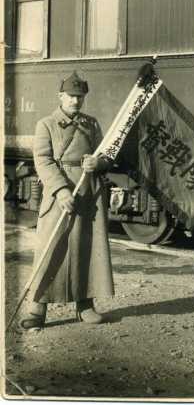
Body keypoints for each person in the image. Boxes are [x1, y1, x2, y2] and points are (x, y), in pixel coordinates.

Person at [19, 72, 114, 330]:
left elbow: (107, 154)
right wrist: (60, 191)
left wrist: (99, 162)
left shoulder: (92, 125)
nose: (76, 101)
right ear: (61, 96)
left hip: (87, 193)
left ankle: (85, 306)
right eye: (71, 96)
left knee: (86, 250)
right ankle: (37, 308)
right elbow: (43, 160)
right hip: (57, 194)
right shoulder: (46, 124)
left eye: (80, 97)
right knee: (51, 248)